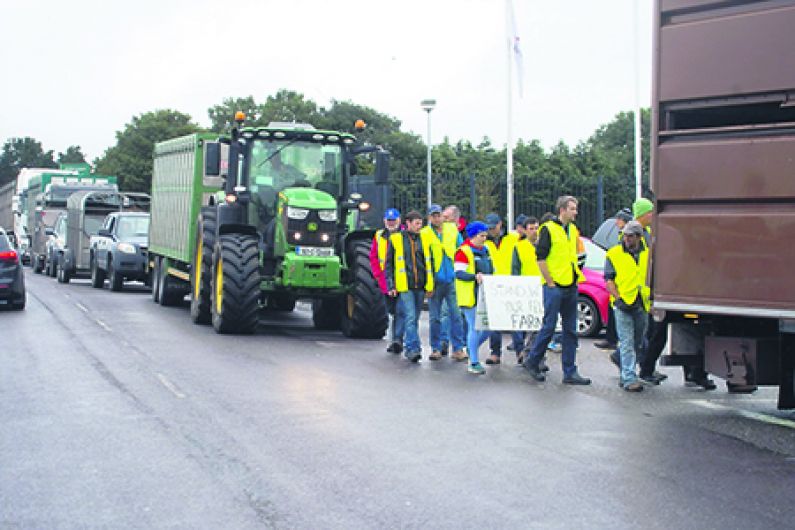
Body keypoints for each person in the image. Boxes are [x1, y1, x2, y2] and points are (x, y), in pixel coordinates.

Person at [523, 196, 591, 385]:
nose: (575, 212)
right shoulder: (548, 229)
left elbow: (575, 256)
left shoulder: (571, 229)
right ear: (562, 210)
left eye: (575, 208)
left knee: (570, 331)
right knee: (549, 327)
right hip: (555, 286)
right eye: (572, 208)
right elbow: (541, 258)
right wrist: (550, 282)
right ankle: (533, 360)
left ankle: (570, 371)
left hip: (570, 284)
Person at [604, 221, 648, 392]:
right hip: (623, 303)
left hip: (641, 302)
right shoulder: (614, 254)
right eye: (625, 235)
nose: (626, 239)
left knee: (638, 341)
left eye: (630, 236)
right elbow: (608, 279)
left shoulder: (648, 254)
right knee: (627, 341)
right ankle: (629, 378)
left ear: (639, 237)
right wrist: (617, 297)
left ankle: (624, 368)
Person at [385, 211, 432, 363]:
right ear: (408, 223)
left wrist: (429, 284)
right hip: (405, 286)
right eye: (417, 223)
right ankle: (413, 349)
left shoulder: (424, 240)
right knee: (410, 317)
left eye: (421, 223)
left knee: (414, 318)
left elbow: (428, 263)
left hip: (420, 286)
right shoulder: (396, 240)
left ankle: (409, 344)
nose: (420, 227)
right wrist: (391, 284)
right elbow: (389, 265)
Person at [421, 204, 467, 361]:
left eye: (438, 215)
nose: (436, 218)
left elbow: (462, 250)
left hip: (451, 279)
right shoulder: (425, 233)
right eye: (433, 215)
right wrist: (427, 283)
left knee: (456, 315)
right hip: (434, 281)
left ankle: (458, 348)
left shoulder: (452, 230)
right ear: (429, 218)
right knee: (435, 317)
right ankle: (436, 348)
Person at [454, 221, 494, 375]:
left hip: (484, 294)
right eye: (481, 235)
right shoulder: (463, 252)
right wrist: (474, 277)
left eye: (485, 235)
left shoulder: (486, 250)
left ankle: (471, 348)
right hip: (470, 295)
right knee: (475, 327)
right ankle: (474, 362)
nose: (484, 238)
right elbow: (459, 273)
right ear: (473, 236)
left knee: (489, 328)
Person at [594, 207, 634, 351]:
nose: (616, 222)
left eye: (619, 219)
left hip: (624, 283)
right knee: (613, 311)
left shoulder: (627, 237)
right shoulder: (619, 236)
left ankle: (614, 341)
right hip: (617, 281)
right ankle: (611, 338)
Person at [511, 216, 546, 367]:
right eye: (531, 229)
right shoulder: (519, 247)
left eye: (536, 228)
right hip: (525, 290)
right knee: (525, 324)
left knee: (540, 326)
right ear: (525, 231)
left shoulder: (544, 245)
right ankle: (523, 352)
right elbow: (515, 269)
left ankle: (537, 357)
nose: (534, 231)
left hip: (542, 287)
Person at [370, 208, 405, 354]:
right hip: (386, 280)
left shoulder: (405, 235)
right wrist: (378, 276)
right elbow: (374, 257)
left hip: (402, 278)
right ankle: (393, 340)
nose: (391, 223)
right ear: (384, 221)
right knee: (391, 311)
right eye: (389, 221)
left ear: (399, 220)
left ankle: (398, 339)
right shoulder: (379, 236)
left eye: (394, 220)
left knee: (401, 310)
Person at [483, 213, 508, 361]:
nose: (491, 231)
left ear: (500, 224)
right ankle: (495, 352)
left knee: (515, 319)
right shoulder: (485, 243)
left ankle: (520, 350)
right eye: (489, 228)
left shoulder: (511, 240)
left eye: (493, 227)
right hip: (493, 284)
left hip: (510, 283)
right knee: (495, 320)